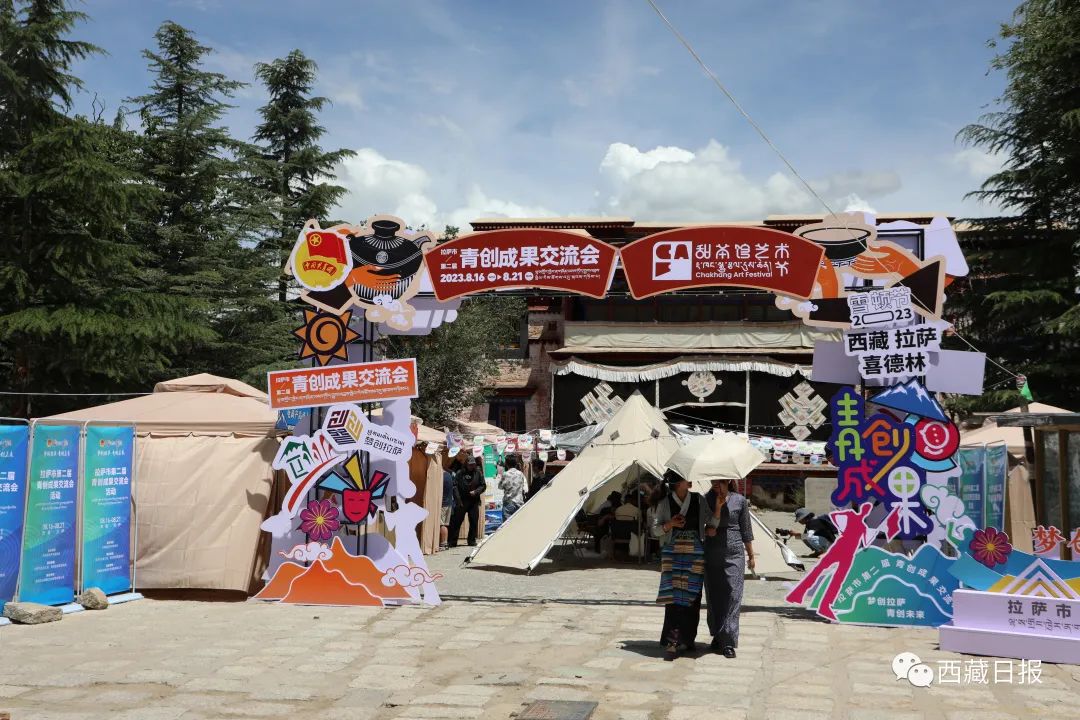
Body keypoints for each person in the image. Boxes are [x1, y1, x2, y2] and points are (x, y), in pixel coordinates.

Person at [651, 469, 718, 661]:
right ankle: (672, 641)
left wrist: (719, 508)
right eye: (686, 477)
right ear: (678, 482)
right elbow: (655, 530)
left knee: (692, 597)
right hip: (672, 554)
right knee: (673, 598)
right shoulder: (664, 503)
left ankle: (688, 639)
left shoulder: (698, 500)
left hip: (695, 554)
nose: (691, 480)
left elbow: (711, 522)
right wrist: (670, 524)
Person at [703, 478, 754, 658]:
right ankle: (718, 635)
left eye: (721, 482)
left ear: (728, 481)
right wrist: (717, 507)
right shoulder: (706, 499)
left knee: (733, 594)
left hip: (735, 552)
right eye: (714, 481)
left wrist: (751, 555)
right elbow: (705, 528)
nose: (717, 484)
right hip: (712, 552)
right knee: (714, 595)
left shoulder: (739, 500)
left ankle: (728, 641)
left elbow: (746, 529)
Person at [448, 457, 486, 547]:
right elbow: (454, 486)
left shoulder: (478, 473)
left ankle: (471, 540)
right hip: (462, 500)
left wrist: (476, 492)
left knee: (473, 521)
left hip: (474, 501)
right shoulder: (460, 473)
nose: (471, 466)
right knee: (456, 521)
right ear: (466, 464)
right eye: (470, 464)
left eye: (473, 464)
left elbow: (483, 485)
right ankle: (452, 541)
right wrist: (458, 499)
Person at [499, 454, 527, 519]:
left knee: (507, 523)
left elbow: (500, 486)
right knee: (519, 522)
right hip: (519, 502)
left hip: (508, 503)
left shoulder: (505, 474)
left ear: (507, 464)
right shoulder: (520, 474)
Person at [439, 464, 455, 550]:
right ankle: (445, 543)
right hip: (449, 503)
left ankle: (443, 543)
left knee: (442, 524)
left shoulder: (441, 477)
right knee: (445, 524)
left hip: (443, 503)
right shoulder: (448, 475)